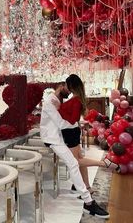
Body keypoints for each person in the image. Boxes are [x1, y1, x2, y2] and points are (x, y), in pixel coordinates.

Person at [40, 83, 110, 219]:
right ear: (61, 86)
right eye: (68, 88)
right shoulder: (49, 102)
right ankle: (88, 201)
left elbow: (63, 119)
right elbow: (61, 123)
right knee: (73, 163)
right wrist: (75, 123)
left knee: (75, 162)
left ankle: (86, 197)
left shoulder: (57, 100)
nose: (70, 91)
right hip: (52, 139)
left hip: (58, 137)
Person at [56, 75, 120, 193]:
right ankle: (87, 187)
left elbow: (72, 119)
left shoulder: (76, 100)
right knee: (80, 160)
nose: (65, 87)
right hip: (72, 131)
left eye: (66, 84)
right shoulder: (77, 98)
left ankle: (104, 163)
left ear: (70, 85)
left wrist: (58, 111)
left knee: (75, 161)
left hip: (70, 132)